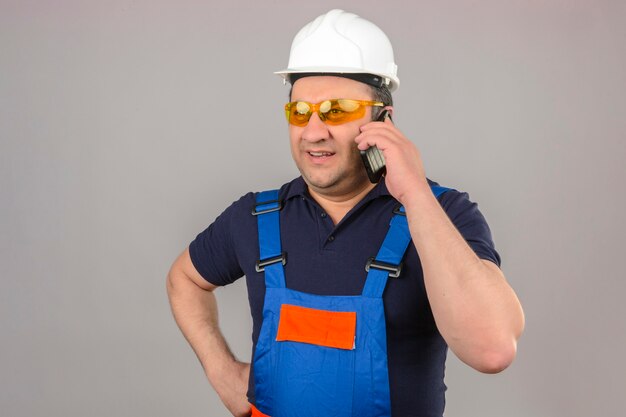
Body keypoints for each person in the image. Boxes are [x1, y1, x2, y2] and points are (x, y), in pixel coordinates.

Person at [167, 9, 524, 417]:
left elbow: (492, 348)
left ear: (382, 120)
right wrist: (222, 371)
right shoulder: (256, 217)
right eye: (300, 112)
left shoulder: (442, 214)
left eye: (336, 110)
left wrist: (414, 193)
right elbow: (184, 280)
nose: (314, 131)